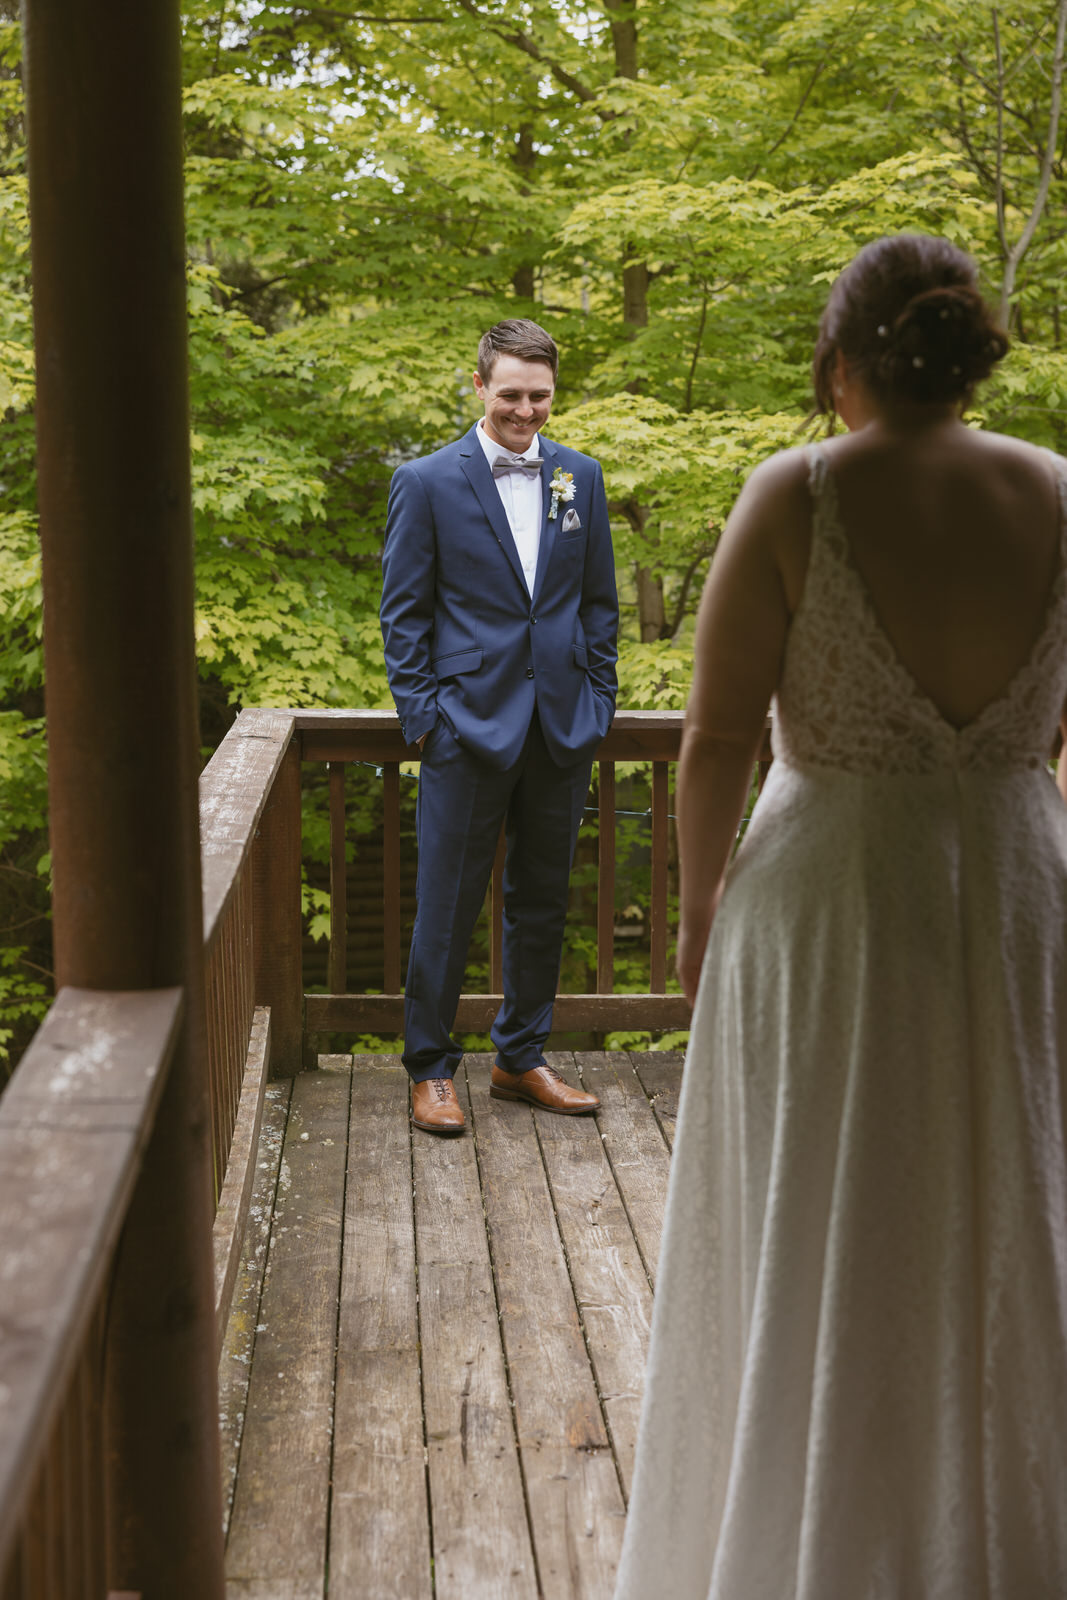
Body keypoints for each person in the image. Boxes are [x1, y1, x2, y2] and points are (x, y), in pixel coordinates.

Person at [614, 234, 1067, 1598]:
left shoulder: (795, 492)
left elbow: (710, 741)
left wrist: (695, 918)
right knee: (1006, 1198)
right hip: (1009, 882)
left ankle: (801, 1539)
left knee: (823, 1202)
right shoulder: (1055, 491)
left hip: (826, 904)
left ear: (839, 361)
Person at [380, 319, 618, 1134]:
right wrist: (424, 721)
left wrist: (597, 699)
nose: (526, 411)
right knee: (444, 905)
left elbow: (597, 604)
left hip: (560, 726)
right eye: (511, 394)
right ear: (478, 386)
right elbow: (403, 613)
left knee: (542, 899)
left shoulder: (579, 478)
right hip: (463, 729)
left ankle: (520, 1057)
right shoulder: (425, 481)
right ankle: (430, 1068)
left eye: (540, 396)